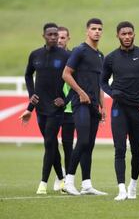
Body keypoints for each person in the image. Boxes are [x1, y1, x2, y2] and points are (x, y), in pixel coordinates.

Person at [101, 21, 139, 201]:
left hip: (138, 109)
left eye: (130, 33)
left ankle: (133, 186)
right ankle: (121, 189)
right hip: (119, 109)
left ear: (134, 34)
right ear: (118, 36)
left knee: (136, 151)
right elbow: (103, 82)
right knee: (119, 149)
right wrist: (112, 93)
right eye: (123, 34)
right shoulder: (111, 58)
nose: (127, 37)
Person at [19, 22, 69, 194]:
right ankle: (62, 179)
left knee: (49, 142)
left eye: (56, 34)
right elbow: (27, 75)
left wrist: (64, 98)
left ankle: (43, 183)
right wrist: (31, 96)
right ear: (44, 36)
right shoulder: (35, 55)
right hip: (40, 108)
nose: (54, 37)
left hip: (56, 109)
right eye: (50, 35)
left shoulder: (65, 55)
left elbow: (75, 80)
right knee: (52, 143)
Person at [62, 18, 107, 196]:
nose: (97, 31)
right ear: (87, 31)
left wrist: (102, 106)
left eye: (100, 29)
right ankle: (68, 181)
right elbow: (65, 74)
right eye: (93, 29)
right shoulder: (79, 50)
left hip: (95, 106)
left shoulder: (100, 56)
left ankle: (86, 184)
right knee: (82, 140)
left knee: (89, 145)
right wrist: (80, 92)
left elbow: (100, 84)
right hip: (80, 104)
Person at [53, 26, 74, 192]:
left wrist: (66, 100)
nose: (60, 40)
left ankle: (67, 179)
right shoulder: (48, 58)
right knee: (51, 144)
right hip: (51, 108)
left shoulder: (73, 58)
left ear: (68, 39)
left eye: (63, 37)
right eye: (58, 37)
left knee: (67, 145)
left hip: (69, 109)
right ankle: (59, 174)